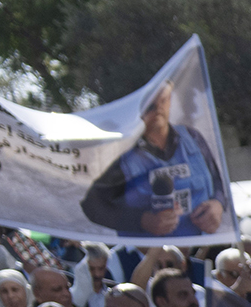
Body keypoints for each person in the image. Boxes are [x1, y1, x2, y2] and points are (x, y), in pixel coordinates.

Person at [79, 79, 228, 237]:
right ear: (139, 107)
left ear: (170, 101)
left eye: (163, 100)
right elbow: (92, 206)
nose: (158, 108)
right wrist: (142, 220)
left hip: (198, 250)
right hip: (149, 256)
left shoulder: (192, 138)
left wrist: (218, 204)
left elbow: (217, 181)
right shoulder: (124, 154)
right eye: (150, 104)